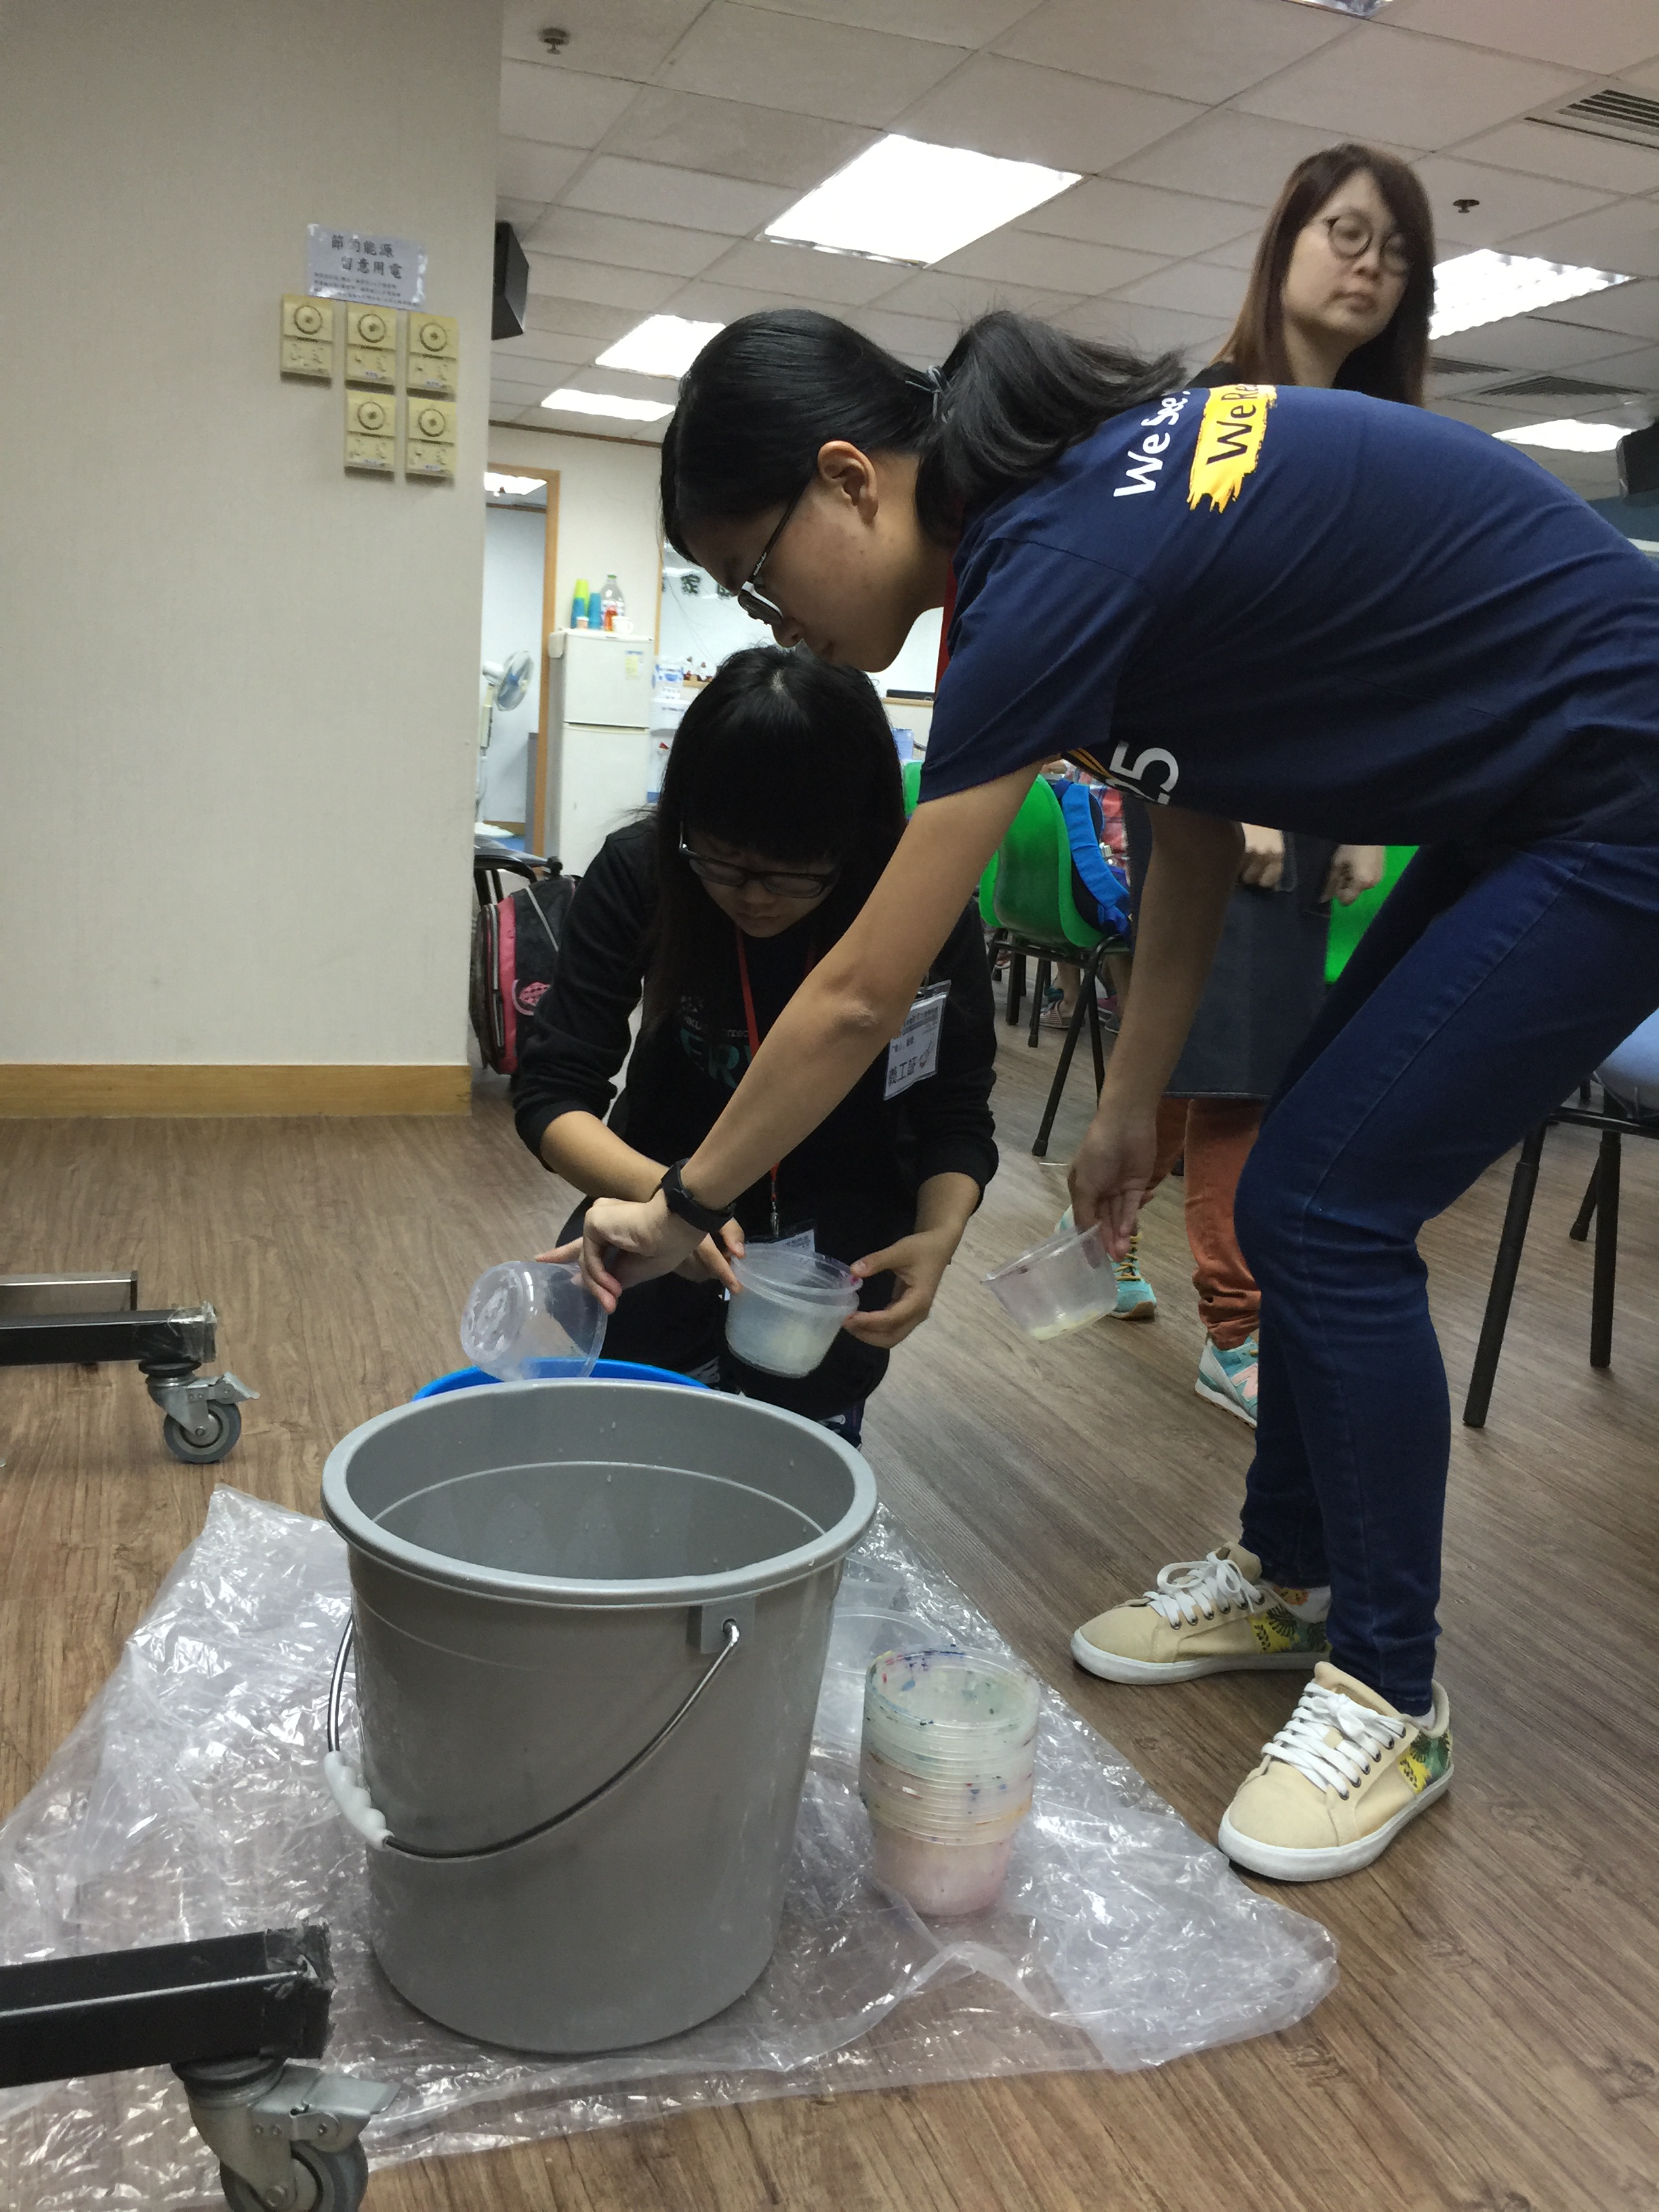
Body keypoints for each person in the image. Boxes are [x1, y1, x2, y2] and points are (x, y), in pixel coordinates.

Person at [568, 300, 1659, 1883]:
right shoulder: (1050, 519)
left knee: (1319, 1203)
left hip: (1614, 785)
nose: (775, 619)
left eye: (757, 570)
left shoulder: (1044, 559)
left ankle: (1390, 1686)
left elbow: (866, 987)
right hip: (1534, 784)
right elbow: (1191, 816)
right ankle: (1289, 1575)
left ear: (847, 480)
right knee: (1300, 1189)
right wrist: (1130, 1100)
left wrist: (681, 1203)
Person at [1121, 144, 1424, 1425]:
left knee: (1223, 1049)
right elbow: (1185, 630)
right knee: (1239, 1063)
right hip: (1211, 788)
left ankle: (1103, 1235)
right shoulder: (1222, 415)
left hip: (1304, 793)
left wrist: (1353, 817)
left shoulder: (1381, 438)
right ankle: (1233, 1330)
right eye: (1346, 233)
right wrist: (1234, 794)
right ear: (1285, 240)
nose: (1370, 265)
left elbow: (1365, 655)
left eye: (1397, 251)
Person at [515, 644, 998, 1441]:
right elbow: (552, 1095)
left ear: (858, 842)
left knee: (802, 1423)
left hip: (839, 1213)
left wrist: (939, 1236)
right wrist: (673, 1201)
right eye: (723, 864)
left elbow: (956, 1111)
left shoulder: (916, 906)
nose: (754, 896)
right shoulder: (644, 871)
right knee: (624, 1379)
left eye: (794, 871)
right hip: (658, 1172)